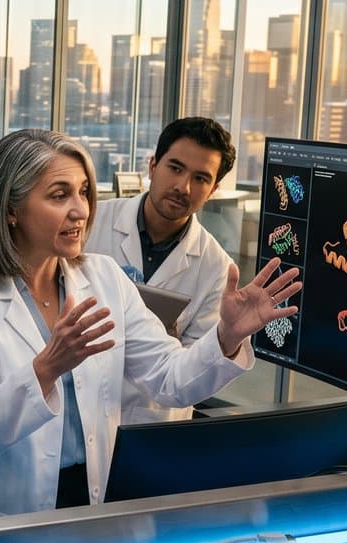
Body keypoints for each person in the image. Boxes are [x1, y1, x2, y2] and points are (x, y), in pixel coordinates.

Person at [0, 130, 300, 520]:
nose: (80, 210)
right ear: (10, 209)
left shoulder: (104, 278)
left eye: (84, 192)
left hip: (85, 496)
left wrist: (227, 336)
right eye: (59, 195)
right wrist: (47, 368)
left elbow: (169, 378)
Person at [83, 116, 238, 423]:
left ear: (213, 189)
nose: (183, 187)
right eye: (175, 168)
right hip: (84, 402)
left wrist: (170, 342)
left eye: (200, 178)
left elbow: (197, 372)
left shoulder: (217, 267)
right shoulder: (92, 222)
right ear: (153, 166)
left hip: (152, 416)